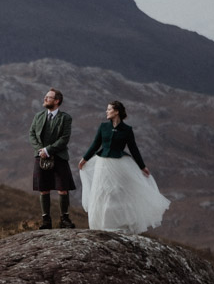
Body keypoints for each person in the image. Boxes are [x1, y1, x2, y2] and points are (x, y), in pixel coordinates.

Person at [78, 100, 170, 234]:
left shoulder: (127, 130)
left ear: (116, 112)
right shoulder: (103, 127)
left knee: (117, 194)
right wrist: (84, 159)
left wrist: (142, 166)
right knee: (101, 192)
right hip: (102, 164)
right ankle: (101, 225)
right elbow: (95, 145)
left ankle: (118, 225)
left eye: (109, 109)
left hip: (119, 166)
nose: (106, 111)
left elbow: (134, 149)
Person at [28, 88, 76, 229]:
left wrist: (49, 150)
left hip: (59, 156)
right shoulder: (38, 116)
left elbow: (64, 139)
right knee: (44, 188)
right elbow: (31, 134)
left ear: (57, 101)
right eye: (45, 96)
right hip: (40, 156)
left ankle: (64, 219)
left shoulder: (65, 118)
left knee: (63, 188)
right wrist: (40, 150)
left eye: (48, 97)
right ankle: (46, 221)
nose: (45, 99)